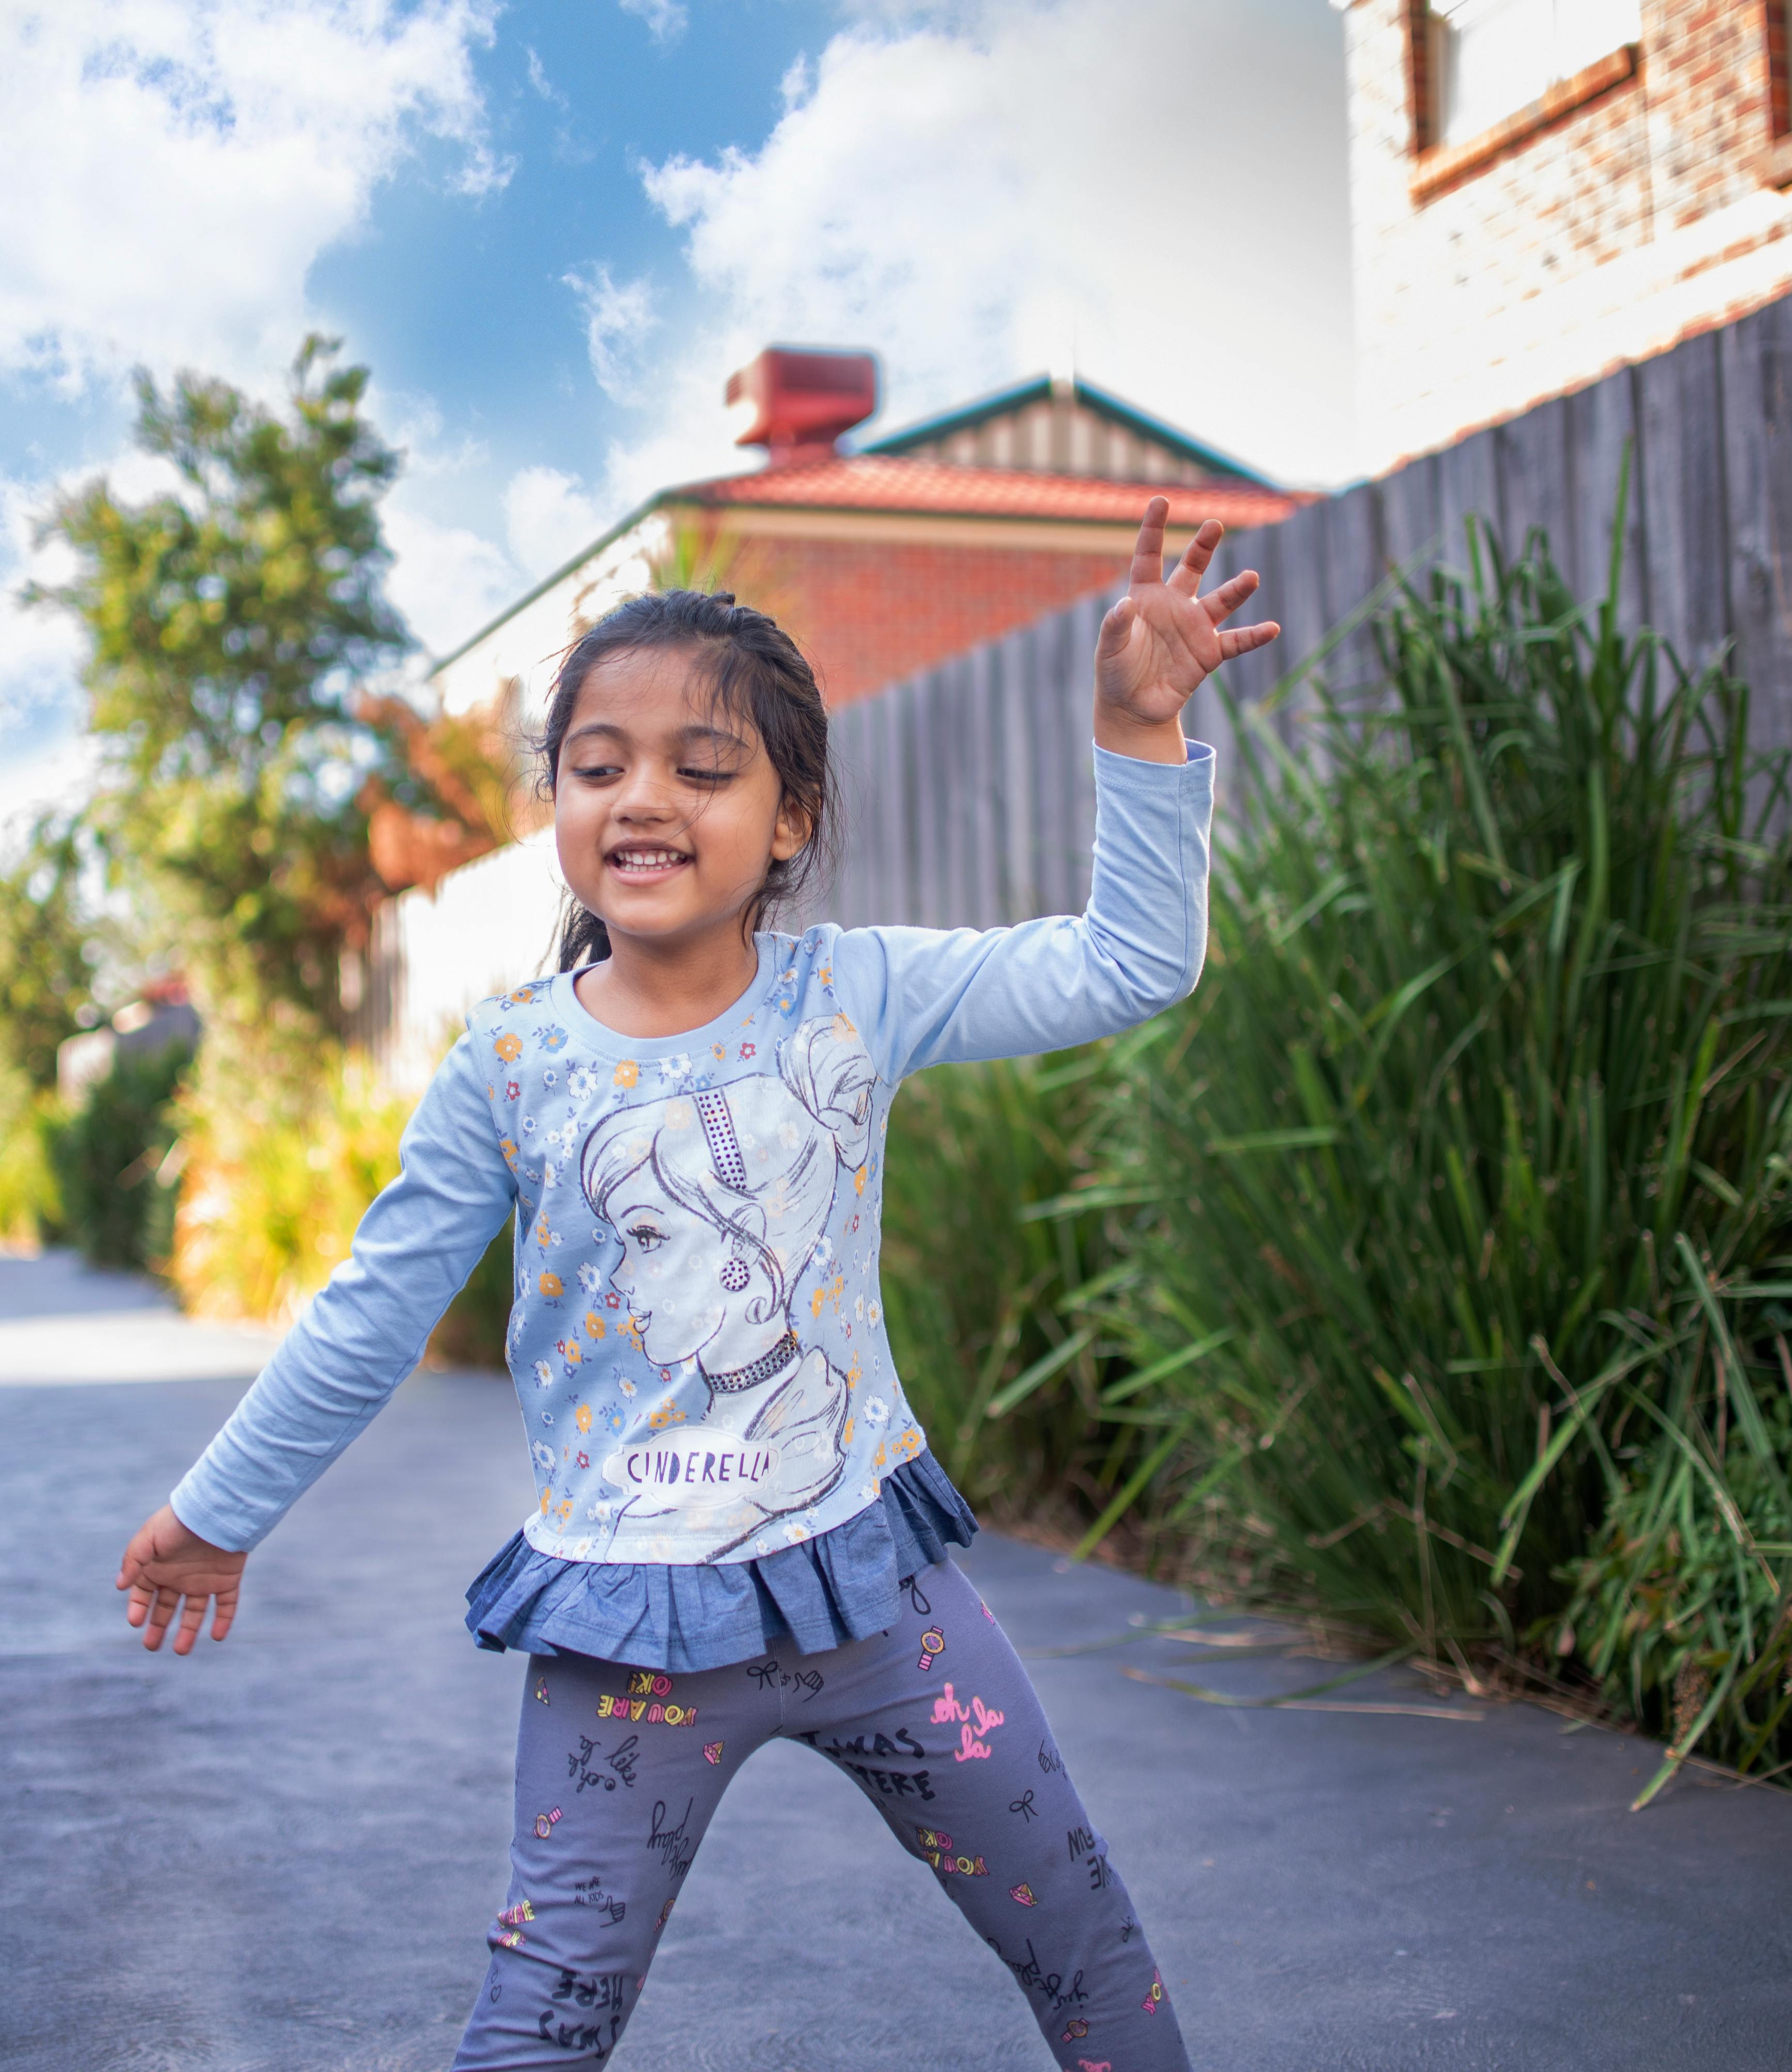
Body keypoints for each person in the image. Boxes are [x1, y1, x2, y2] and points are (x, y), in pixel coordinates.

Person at [116, 498, 1277, 2070]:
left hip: (881, 1598)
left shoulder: (858, 994)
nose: (641, 798)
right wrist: (216, 1510)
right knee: (541, 2019)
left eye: (701, 768)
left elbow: (1131, 964)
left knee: (1085, 1943)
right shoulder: (512, 1063)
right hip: (631, 1644)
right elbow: (369, 1312)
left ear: (790, 819)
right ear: (559, 802)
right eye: (597, 766)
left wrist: (1135, 731)